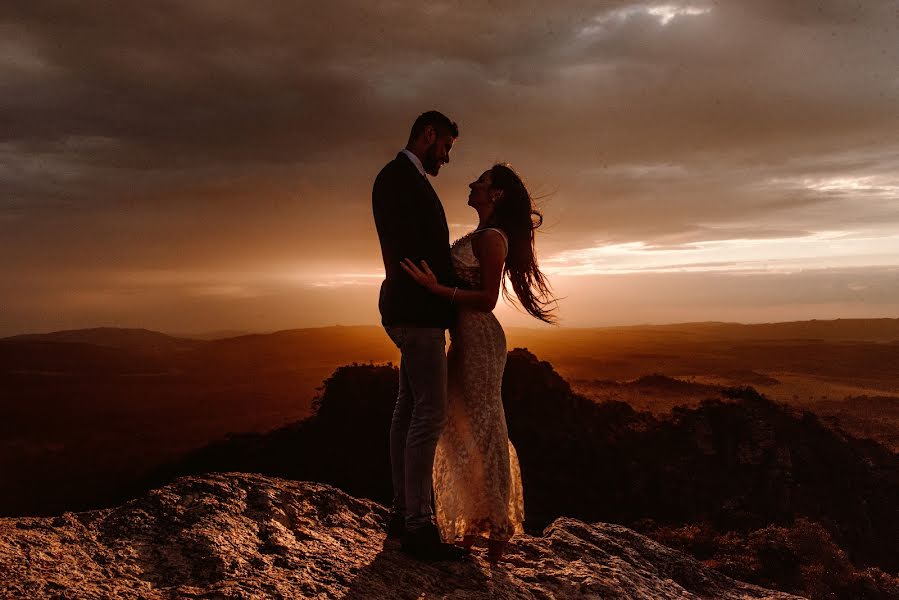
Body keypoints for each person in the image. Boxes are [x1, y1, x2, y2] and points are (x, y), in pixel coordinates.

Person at [401, 163, 557, 564]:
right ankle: (474, 523)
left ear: (496, 194)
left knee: (484, 427)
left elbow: (488, 299)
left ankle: (496, 531)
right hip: (464, 338)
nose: (472, 184)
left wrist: (437, 289)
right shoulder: (481, 234)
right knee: (459, 426)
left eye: (482, 182)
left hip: (481, 339)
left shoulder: (491, 238)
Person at [371, 110, 467, 561]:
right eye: (445, 146)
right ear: (428, 135)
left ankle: (402, 512)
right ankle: (419, 527)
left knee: (407, 408)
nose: (446, 157)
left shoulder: (400, 178)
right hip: (417, 311)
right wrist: (451, 289)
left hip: (406, 308)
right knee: (428, 413)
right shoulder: (397, 178)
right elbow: (416, 248)